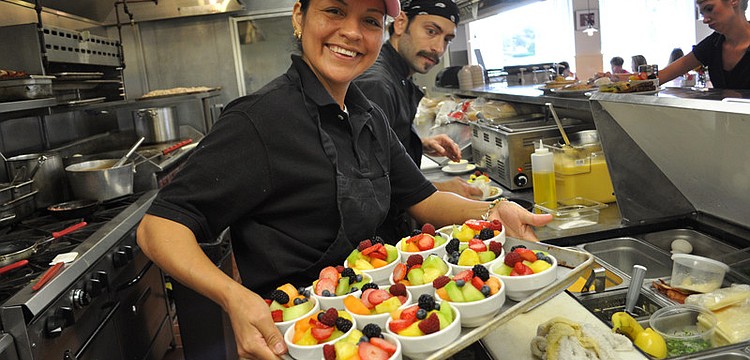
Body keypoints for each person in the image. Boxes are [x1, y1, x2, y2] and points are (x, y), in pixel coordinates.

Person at [136, 0, 553, 359]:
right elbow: (159, 227)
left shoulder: (367, 114)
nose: (352, 32)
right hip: (302, 339)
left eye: (370, 20)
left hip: (378, 324)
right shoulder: (259, 119)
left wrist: (496, 212)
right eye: (334, 10)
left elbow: (422, 198)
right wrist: (234, 297)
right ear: (300, 16)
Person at [354, 0, 482, 243]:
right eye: (431, 31)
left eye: (447, 39)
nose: (438, 48)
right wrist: (436, 189)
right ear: (401, 23)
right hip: (377, 237)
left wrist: (417, 142)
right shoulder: (377, 83)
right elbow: (369, 182)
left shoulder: (397, 76)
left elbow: (379, 146)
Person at [659, 0, 750, 89]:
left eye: (709, 9)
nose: (705, 20)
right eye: (702, 14)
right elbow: (665, 74)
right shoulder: (713, 43)